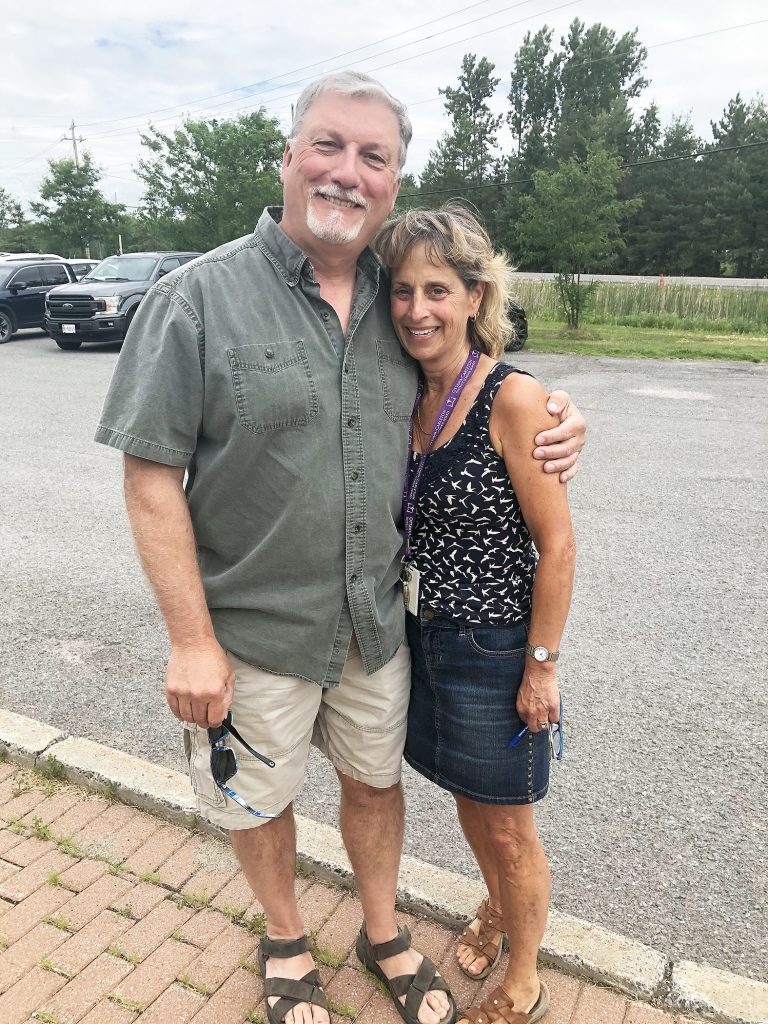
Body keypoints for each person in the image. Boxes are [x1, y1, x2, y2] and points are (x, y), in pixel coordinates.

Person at [94, 72, 585, 1024]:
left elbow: (482, 380)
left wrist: (562, 414)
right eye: (329, 145)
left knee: (374, 784)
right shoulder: (194, 300)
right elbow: (149, 476)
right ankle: (284, 938)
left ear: (394, 183)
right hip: (253, 631)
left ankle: (381, 928)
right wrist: (190, 638)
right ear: (287, 156)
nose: (347, 173)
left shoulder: (396, 302)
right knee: (260, 798)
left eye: (375, 157)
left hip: (376, 626)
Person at [374, 204, 576, 1024]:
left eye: (436, 289)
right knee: (468, 802)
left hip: (497, 651)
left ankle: (524, 977)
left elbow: (556, 547)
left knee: (511, 831)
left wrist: (541, 665)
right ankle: (495, 909)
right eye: (401, 291)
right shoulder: (406, 394)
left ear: (473, 295)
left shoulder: (513, 397)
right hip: (428, 640)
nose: (416, 308)